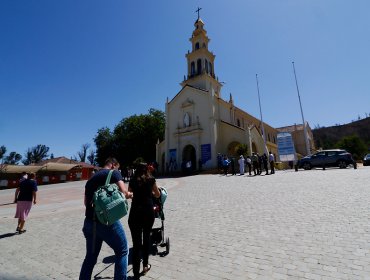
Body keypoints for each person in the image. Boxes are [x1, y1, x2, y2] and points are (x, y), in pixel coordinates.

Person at [80, 157, 132, 280]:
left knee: (90, 258)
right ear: (113, 165)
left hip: (89, 222)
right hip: (107, 222)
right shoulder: (114, 173)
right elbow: (124, 193)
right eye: (117, 167)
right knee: (122, 251)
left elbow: (86, 202)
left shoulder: (92, 178)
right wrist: (130, 194)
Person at [128, 163, 161, 280]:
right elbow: (157, 194)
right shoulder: (151, 179)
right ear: (147, 169)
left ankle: (136, 272)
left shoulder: (132, 180)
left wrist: (137, 194)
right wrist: (150, 193)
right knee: (146, 238)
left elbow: (130, 193)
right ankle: (145, 266)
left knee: (136, 244)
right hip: (148, 212)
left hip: (135, 213)